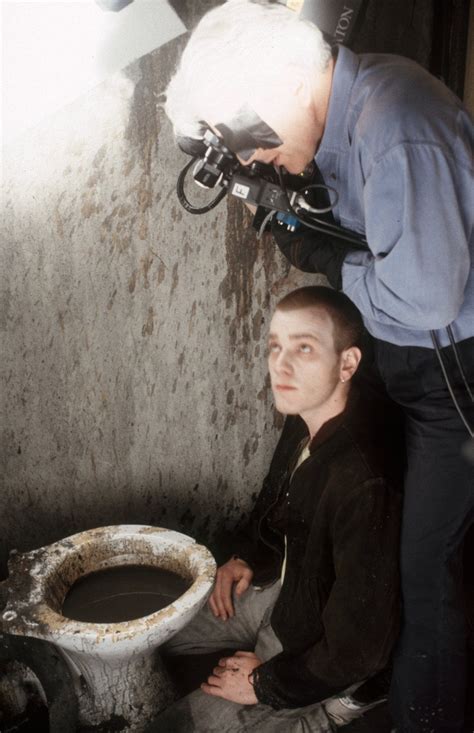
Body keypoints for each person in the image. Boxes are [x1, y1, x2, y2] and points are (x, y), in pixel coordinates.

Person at [164, 2, 474, 730]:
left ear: (282, 86)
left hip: (452, 376)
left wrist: (329, 256)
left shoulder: (395, 126)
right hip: (408, 354)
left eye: (255, 142)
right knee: (345, 470)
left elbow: (426, 296)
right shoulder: (354, 117)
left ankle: (423, 712)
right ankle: (347, 658)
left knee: (430, 574)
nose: (254, 160)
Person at [145, 285, 403, 732]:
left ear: (348, 363)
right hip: (284, 591)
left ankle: (332, 711)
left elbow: (359, 647)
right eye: (275, 346)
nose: (280, 365)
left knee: (169, 729)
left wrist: (265, 685)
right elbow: (278, 504)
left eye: (304, 348)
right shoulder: (307, 408)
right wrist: (246, 554)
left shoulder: (364, 481)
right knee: (149, 627)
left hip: (313, 641)